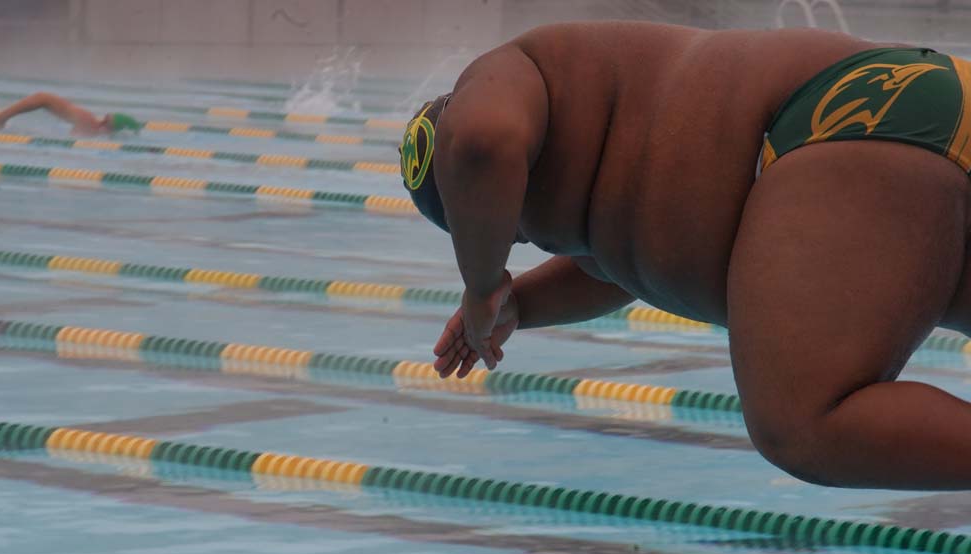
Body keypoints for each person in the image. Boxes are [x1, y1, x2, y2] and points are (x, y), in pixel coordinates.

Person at [404, 22, 971, 490]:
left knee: (801, 420)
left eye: (504, 226)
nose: (521, 235)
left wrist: (481, 287)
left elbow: (482, 141)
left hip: (847, 119)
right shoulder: (604, 176)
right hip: (914, 108)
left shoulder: (504, 76)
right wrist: (518, 305)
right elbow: (620, 269)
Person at [0, 92, 141, 136]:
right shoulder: (89, 123)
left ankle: (0, 119)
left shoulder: (90, 123)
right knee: (43, 98)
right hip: (43, 99)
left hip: (44, 100)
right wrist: (2, 117)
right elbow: (42, 98)